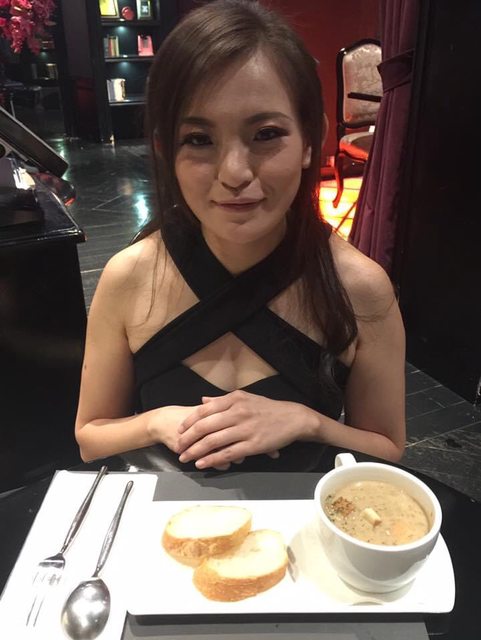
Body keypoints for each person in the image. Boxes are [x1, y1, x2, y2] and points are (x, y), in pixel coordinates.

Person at [74, 0, 405, 472]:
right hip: (164, 518)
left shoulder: (360, 287)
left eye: (266, 134)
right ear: (166, 149)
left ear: (310, 140)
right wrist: (154, 423)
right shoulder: (129, 277)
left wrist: (308, 422)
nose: (234, 173)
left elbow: (388, 447)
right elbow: (91, 436)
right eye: (199, 140)